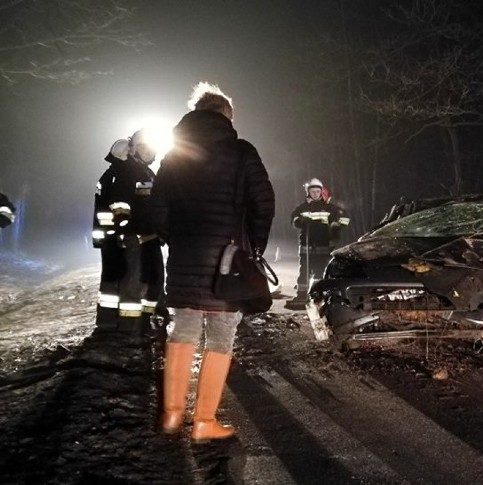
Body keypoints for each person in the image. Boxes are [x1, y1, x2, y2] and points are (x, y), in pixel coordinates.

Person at [150, 82, 275, 442]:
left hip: (185, 257)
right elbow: (263, 204)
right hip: (228, 260)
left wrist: (178, 239)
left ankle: (172, 415)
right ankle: (203, 421)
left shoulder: (174, 154)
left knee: (182, 329)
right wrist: (253, 248)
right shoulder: (242, 151)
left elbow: (157, 211)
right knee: (220, 336)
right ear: (226, 115)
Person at [92, 132, 163, 335]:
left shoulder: (145, 172)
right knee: (133, 283)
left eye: (150, 148)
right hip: (134, 237)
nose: (148, 152)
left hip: (144, 236)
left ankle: (129, 324)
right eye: (143, 147)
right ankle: (130, 329)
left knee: (145, 280)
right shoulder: (127, 172)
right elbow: (120, 203)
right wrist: (123, 228)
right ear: (132, 149)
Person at [285, 178, 349, 308]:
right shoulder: (302, 207)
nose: (315, 194)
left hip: (323, 246)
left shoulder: (329, 208)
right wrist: (299, 222)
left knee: (321, 272)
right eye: (312, 191)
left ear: (321, 192)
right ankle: (302, 295)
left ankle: (319, 294)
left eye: (317, 191)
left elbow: (344, 218)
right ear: (309, 192)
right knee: (304, 271)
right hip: (306, 246)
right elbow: (293, 219)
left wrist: (336, 226)